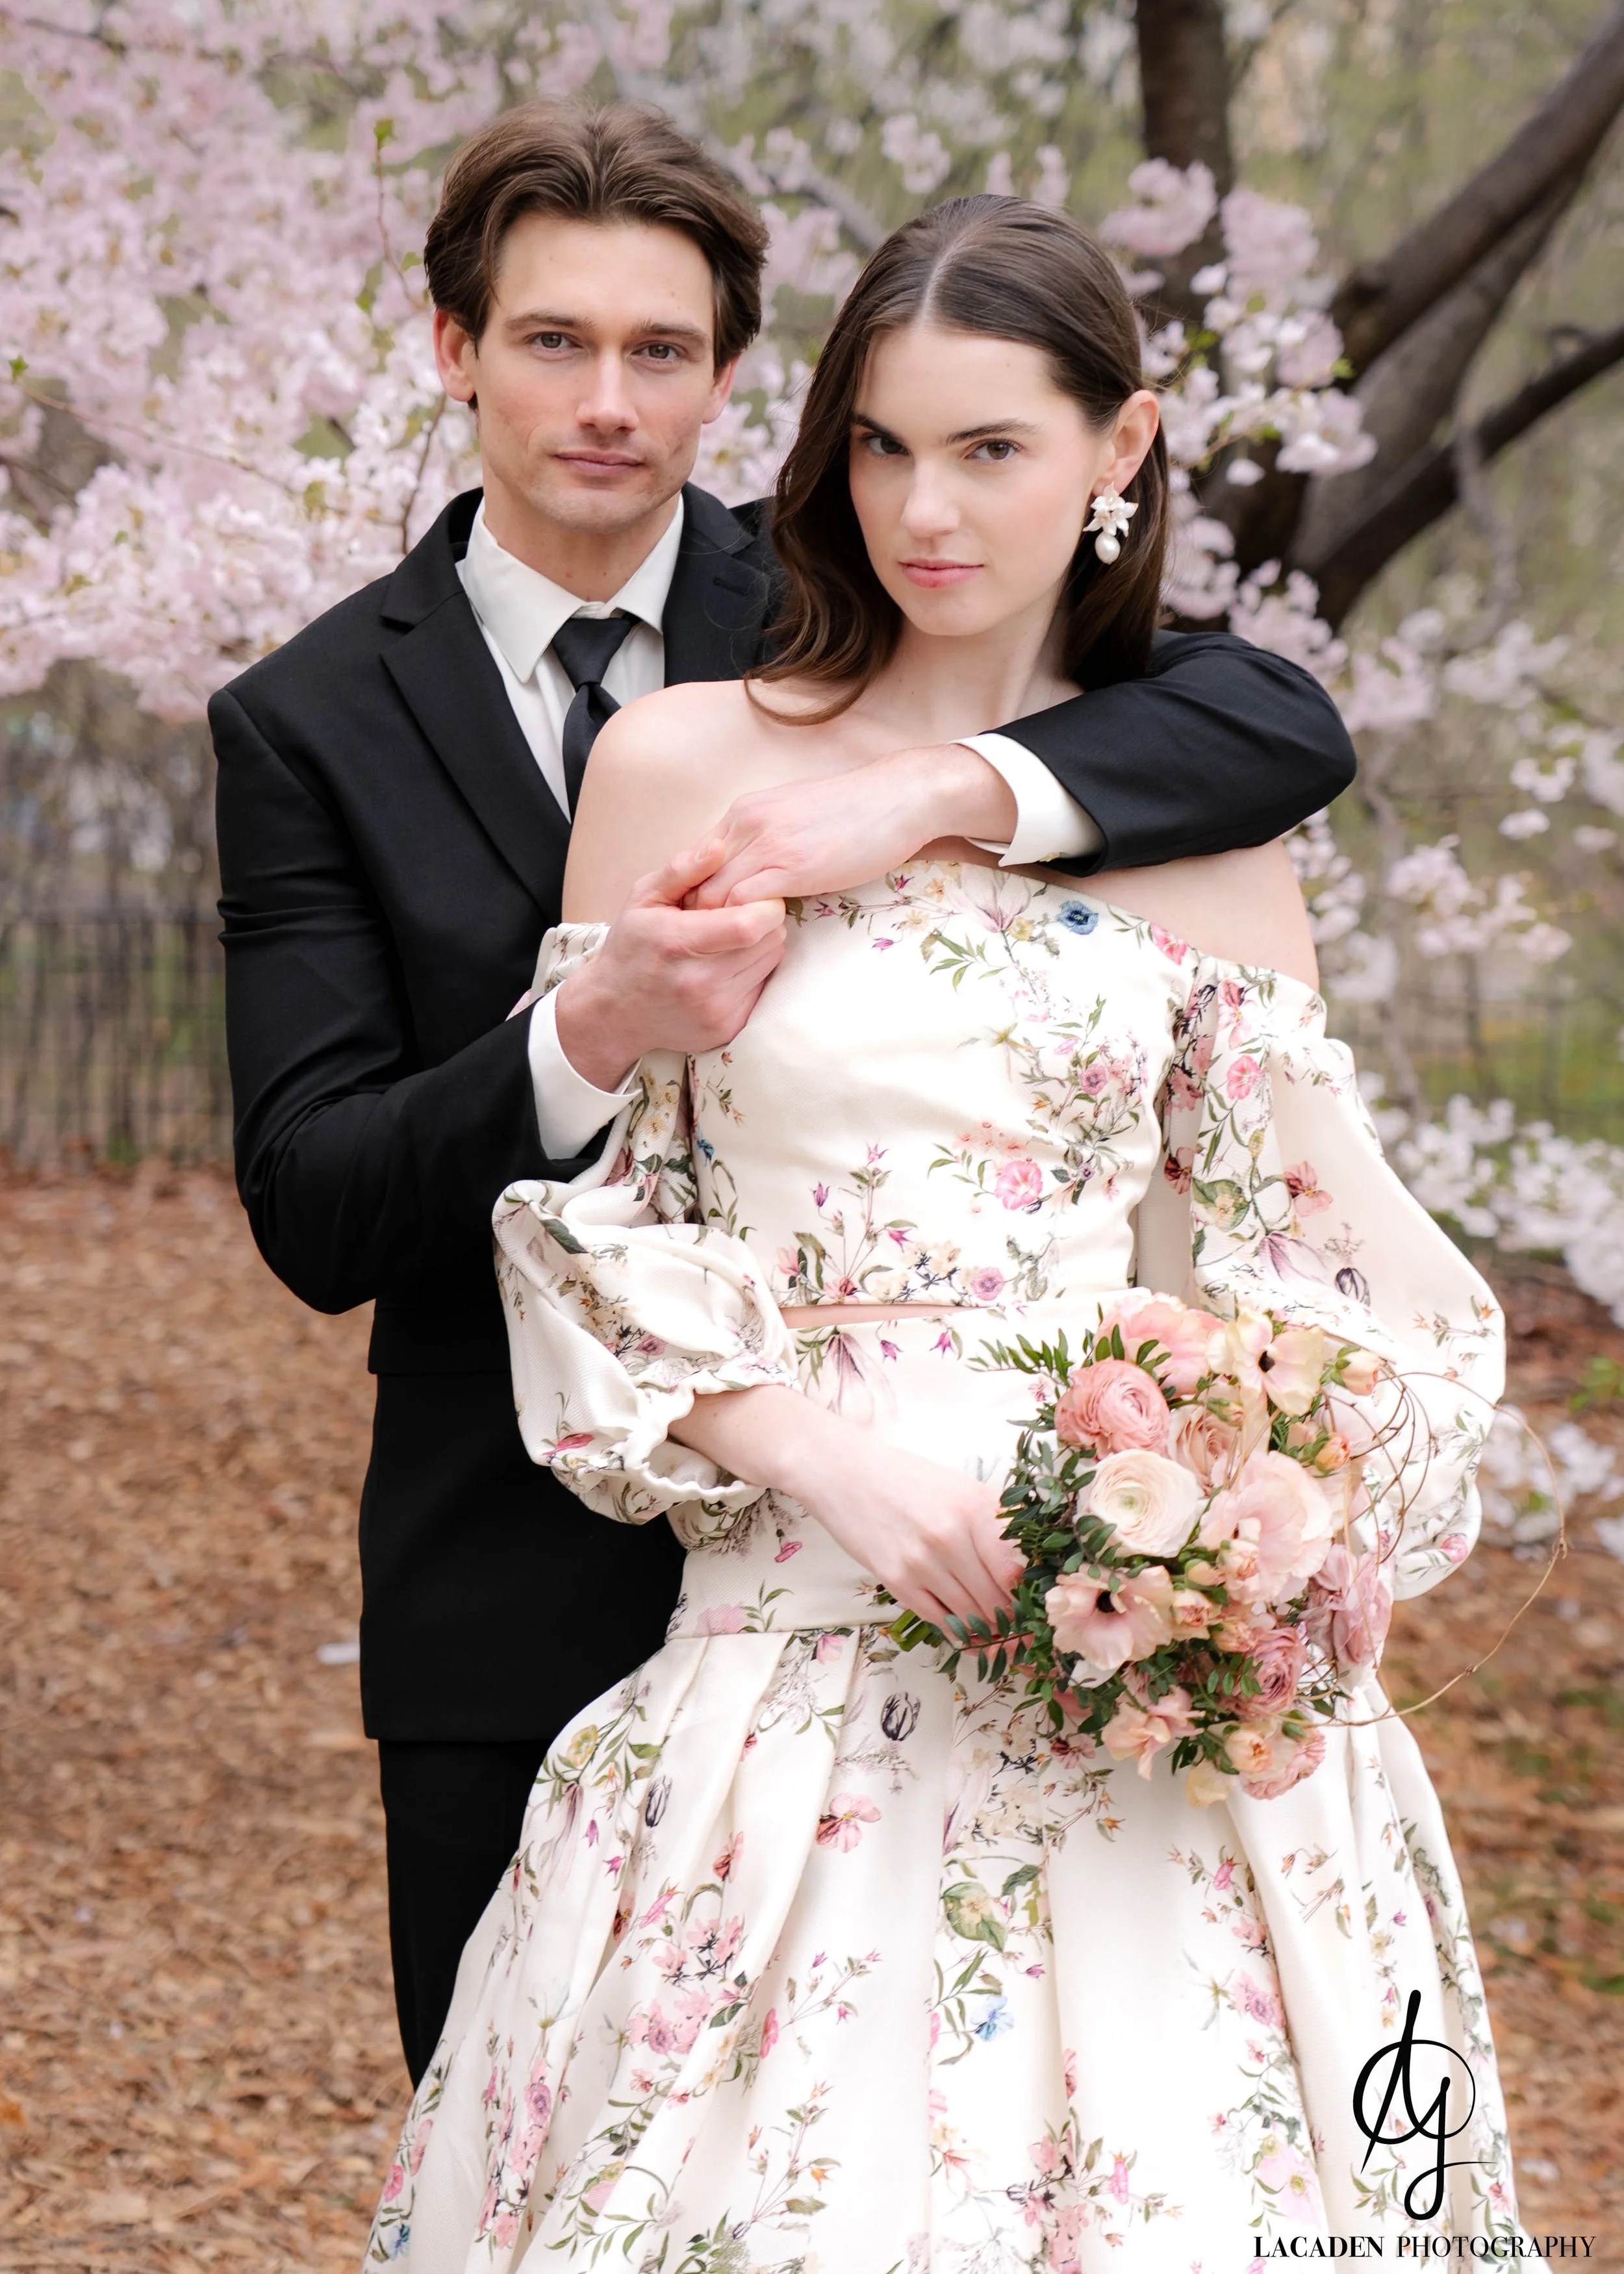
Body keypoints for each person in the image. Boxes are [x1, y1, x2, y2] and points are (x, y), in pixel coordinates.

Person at [364, 192, 1523, 2262]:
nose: (925, 507)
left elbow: (1299, 1255)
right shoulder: (685, 760)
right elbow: (591, 1209)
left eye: (991, 448)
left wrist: (1297, 1519)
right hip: (789, 1638)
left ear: (1122, 448)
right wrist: (815, 1460)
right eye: (883, 445)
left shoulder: (1221, 846)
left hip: (1145, 1668)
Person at [209, 100, 1357, 2089]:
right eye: (552, 340)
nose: (606, 402)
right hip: (526, 1554)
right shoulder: (304, 716)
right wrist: (589, 1029)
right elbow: (316, 1201)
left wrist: (933, 788)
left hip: (999, 1561)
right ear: (451, 345)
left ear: (733, 377)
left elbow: (1267, 721)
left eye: (662, 353)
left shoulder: (872, 596)